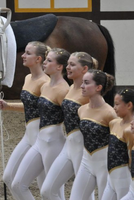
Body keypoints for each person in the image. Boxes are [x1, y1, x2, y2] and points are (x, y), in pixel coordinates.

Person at [11, 48, 70, 200]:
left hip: (54, 142)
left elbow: (72, 118)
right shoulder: (45, 86)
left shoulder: (64, 90)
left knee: (52, 192)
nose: (44, 62)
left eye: (49, 60)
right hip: (39, 141)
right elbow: (32, 109)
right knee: (17, 184)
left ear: (59, 67)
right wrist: (7, 106)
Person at [0, 41, 50, 198]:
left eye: (28, 53)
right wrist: (8, 106)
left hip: (42, 136)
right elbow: (30, 106)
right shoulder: (27, 78)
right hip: (28, 134)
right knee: (8, 177)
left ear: (38, 59)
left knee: (45, 185)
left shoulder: (45, 83)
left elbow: (49, 111)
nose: (23, 56)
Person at [40, 52, 98, 200]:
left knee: (84, 195)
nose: (68, 67)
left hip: (82, 146)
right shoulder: (70, 88)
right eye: (68, 64)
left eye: (72, 65)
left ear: (84, 69)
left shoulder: (87, 94)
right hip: (68, 144)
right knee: (47, 190)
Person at [70, 69, 117, 200]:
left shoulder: (110, 113)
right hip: (86, 162)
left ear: (98, 87)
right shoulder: (81, 110)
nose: (81, 86)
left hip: (105, 164)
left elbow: (119, 140)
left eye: (86, 83)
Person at [101, 89, 134, 200]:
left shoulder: (131, 130)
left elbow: (133, 156)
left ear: (129, 105)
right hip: (111, 176)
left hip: (123, 176)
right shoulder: (113, 123)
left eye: (117, 104)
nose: (114, 107)